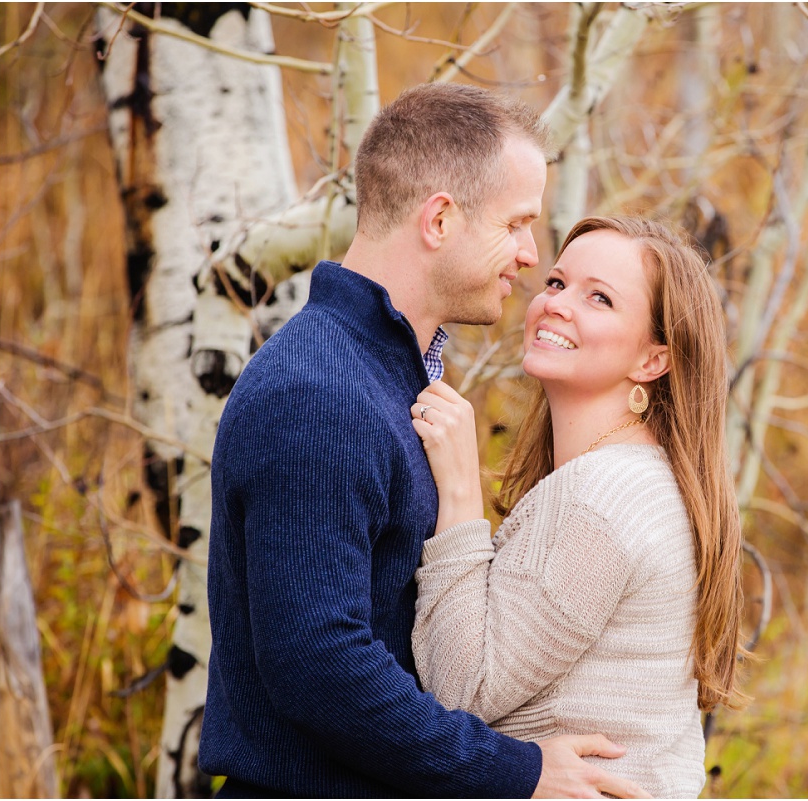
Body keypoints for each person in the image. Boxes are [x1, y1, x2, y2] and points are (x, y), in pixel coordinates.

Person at [199, 84, 648, 798]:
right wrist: (519, 771)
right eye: (516, 224)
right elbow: (319, 664)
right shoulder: (316, 395)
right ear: (440, 218)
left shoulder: (387, 378)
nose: (531, 255)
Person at [410, 215, 747, 798]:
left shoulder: (600, 500)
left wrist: (461, 494)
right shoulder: (638, 479)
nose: (558, 304)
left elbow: (461, 687)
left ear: (652, 360)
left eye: (600, 298)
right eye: (558, 283)